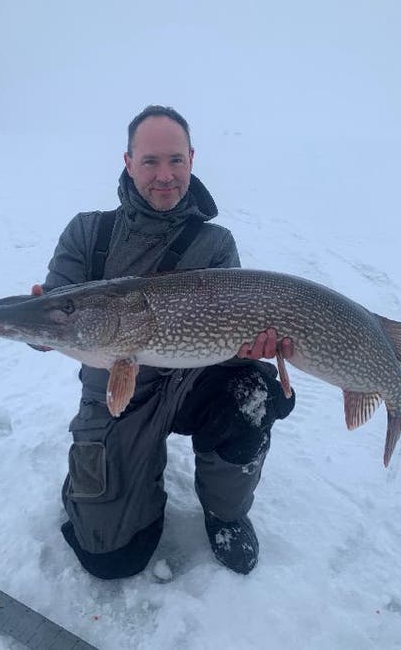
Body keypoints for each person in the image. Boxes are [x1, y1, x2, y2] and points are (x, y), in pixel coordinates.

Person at [28, 105, 297, 578]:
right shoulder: (88, 233)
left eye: (175, 160)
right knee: (110, 558)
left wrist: (252, 352)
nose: (165, 175)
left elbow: (229, 332)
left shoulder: (214, 243)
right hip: (115, 387)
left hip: (192, 378)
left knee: (251, 393)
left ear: (191, 159)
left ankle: (225, 511)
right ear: (128, 162)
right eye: (150, 161)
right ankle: (119, 479)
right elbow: (56, 313)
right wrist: (36, 330)